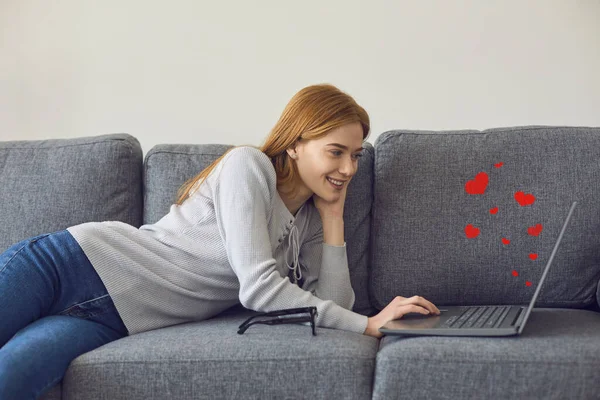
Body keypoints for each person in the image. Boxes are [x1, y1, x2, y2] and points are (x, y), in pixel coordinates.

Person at [0, 83, 440, 399]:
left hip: (110, 318)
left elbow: (333, 304)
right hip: (65, 264)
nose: (349, 168)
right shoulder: (248, 167)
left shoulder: (308, 220)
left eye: (356, 155)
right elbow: (259, 287)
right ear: (294, 145)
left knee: (13, 377)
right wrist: (366, 325)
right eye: (336, 151)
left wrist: (334, 219)